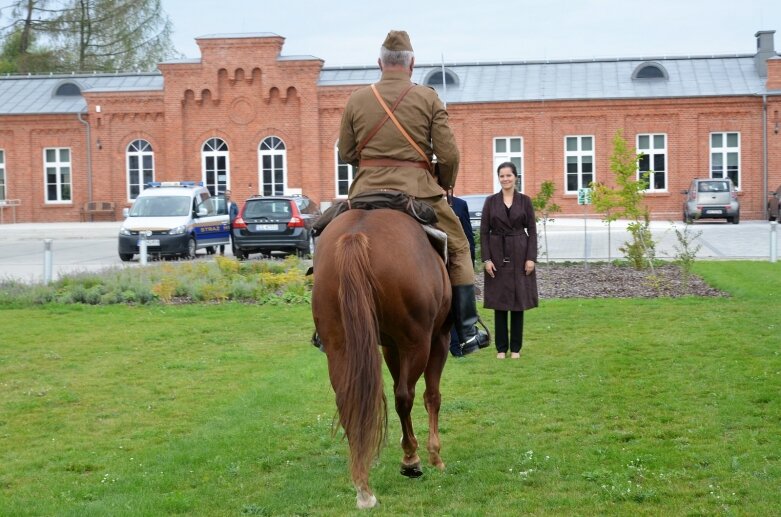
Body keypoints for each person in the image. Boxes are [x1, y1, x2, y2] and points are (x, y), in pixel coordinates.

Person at [338, 30, 488, 354]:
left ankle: (327, 325)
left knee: (329, 238)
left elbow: (346, 154)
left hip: (365, 192)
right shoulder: (428, 98)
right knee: (459, 245)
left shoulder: (356, 99)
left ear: (380, 63)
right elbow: (449, 155)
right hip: (417, 192)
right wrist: (444, 183)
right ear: (411, 65)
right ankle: (466, 330)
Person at [481, 162, 539, 359]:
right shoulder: (490, 202)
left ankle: (515, 348)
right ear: (498, 178)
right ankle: (500, 348)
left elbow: (532, 230)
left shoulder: (525, 201)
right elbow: (483, 232)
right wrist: (486, 259)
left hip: (519, 253)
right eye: (502, 176)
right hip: (497, 254)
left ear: (516, 177)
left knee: (517, 302)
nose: (505, 179)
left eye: (509, 175)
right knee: (499, 302)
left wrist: (531, 257)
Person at [449, 196, 476, 357]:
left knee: (458, 302)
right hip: (432, 261)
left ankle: (462, 341)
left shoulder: (460, 204)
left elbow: (468, 238)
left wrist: (469, 266)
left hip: (455, 261)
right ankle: (452, 343)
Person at [219, 189, 239, 256]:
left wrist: (235, 221)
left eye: (229, 194)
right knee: (222, 239)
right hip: (224, 224)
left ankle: (234, 252)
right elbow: (219, 213)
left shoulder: (233, 204)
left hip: (232, 224)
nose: (228, 195)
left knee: (233, 239)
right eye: (226, 194)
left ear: (230, 195)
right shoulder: (222, 204)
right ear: (224, 195)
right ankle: (222, 253)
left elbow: (237, 213)